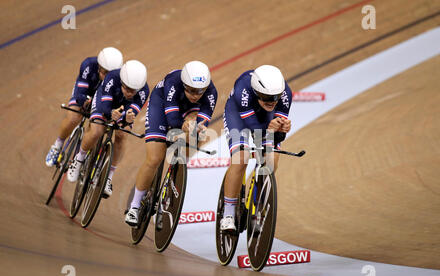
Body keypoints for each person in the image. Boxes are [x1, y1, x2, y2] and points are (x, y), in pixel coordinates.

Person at [125, 60, 218, 226]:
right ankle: (134, 206)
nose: (196, 95)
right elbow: (173, 118)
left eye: (200, 91)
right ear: (183, 85)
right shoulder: (173, 82)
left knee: (198, 134)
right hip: (161, 105)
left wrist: (194, 129)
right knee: (154, 158)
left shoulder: (211, 93)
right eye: (191, 90)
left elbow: (203, 122)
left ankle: (178, 167)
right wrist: (180, 127)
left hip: (189, 111)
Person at [220, 65, 292, 231]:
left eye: (276, 97)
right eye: (266, 97)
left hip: (266, 119)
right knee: (241, 159)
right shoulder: (243, 88)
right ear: (256, 92)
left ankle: (255, 203)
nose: (272, 101)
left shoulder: (286, 93)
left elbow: (275, 136)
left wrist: (282, 128)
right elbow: (253, 126)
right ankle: (228, 214)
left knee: (271, 162)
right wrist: (270, 130)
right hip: (238, 116)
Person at [66, 60, 149, 198]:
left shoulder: (144, 90)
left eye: (133, 90)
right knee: (97, 131)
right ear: (121, 81)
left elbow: (132, 112)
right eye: (126, 88)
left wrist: (127, 118)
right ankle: (79, 159)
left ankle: (108, 177)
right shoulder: (112, 78)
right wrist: (111, 114)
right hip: (105, 101)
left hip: (123, 108)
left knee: (122, 135)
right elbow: (104, 108)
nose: (129, 93)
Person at [45, 47, 124, 167]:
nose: (108, 77)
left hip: (103, 99)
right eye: (104, 73)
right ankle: (57, 145)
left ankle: (82, 155)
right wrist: (84, 100)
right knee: (74, 117)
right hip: (86, 92)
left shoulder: (120, 77)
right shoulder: (88, 65)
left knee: (96, 128)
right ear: (98, 67)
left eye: (111, 74)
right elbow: (80, 91)